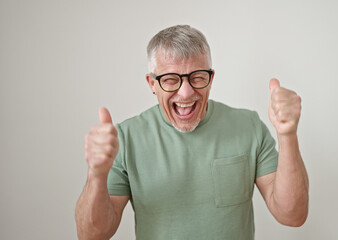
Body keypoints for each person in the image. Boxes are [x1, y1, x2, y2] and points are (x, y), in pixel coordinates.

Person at [75, 25, 309, 240]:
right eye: (170, 80)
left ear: (211, 78)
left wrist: (287, 134)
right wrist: (96, 174)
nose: (186, 93)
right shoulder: (125, 139)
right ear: (152, 84)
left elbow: (292, 215)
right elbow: (92, 235)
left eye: (197, 77)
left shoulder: (249, 126)